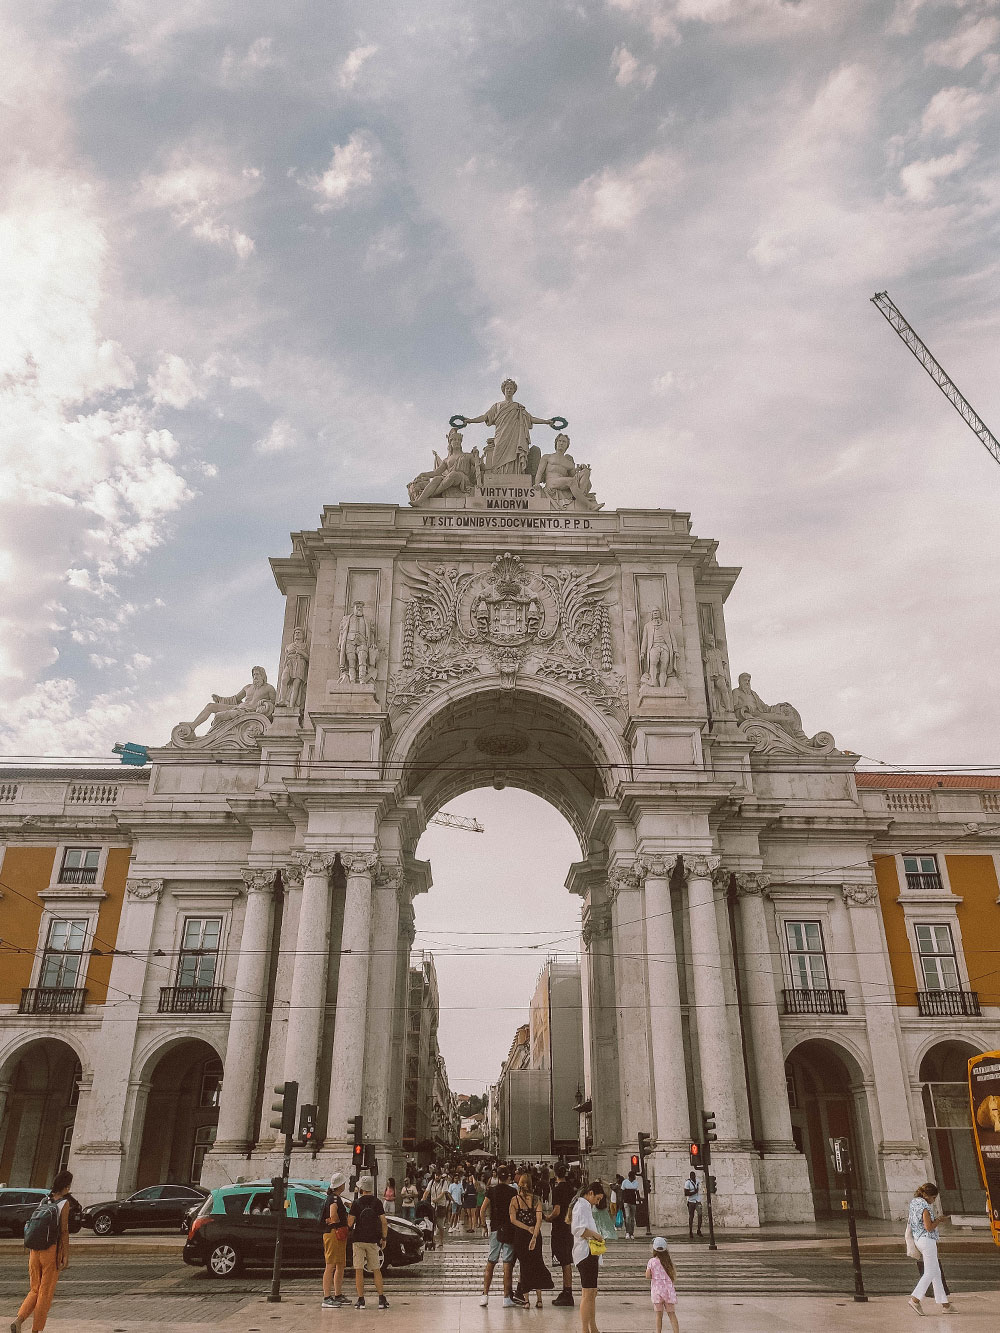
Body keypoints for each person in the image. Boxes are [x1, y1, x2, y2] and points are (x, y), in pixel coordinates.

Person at [13, 1168, 73, 1333]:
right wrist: (65, 1255)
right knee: (45, 1293)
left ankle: (19, 1320)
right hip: (50, 1251)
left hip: (34, 1250)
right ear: (66, 1187)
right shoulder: (64, 1203)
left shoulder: (44, 1200)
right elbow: (64, 1231)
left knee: (34, 1289)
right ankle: (36, 1330)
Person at [509, 1173, 553, 1309]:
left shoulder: (514, 1200)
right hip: (535, 1236)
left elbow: (513, 1220)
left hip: (521, 1236)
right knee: (537, 1264)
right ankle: (539, 1300)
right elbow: (539, 1220)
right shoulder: (536, 1200)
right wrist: (534, 1236)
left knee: (525, 1267)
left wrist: (527, 1228)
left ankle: (526, 1301)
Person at [907, 1183, 952, 1316]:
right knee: (931, 1272)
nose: (934, 1200)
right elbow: (929, 1227)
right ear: (927, 1196)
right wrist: (939, 1220)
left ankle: (946, 1305)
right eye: (933, 1197)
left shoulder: (914, 1203)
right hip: (927, 1241)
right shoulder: (925, 1207)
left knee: (936, 1272)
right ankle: (915, 1299)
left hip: (918, 1239)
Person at [348, 1174, 389, 1311]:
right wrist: (384, 1238)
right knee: (376, 1269)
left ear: (361, 1188)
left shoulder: (357, 1203)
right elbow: (384, 1222)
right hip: (373, 1240)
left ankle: (361, 1300)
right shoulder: (377, 1202)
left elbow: (350, 1223)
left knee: (359, 1269)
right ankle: (381, 1299)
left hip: (358, 1240)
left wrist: (351, 1207)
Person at [479, 1164, 517, 1308]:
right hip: (509, 1229)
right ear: (508, 1177)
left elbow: (482, 1210)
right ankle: (506, 1298)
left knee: (491, 1262)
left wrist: (484, 1226)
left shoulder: (491, 1191)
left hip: (495, 1229)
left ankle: (485, 1295)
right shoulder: (513, 1192)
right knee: (507, 1264)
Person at [571, 1181, 607, 1333]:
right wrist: (596, 1235)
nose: (597, 1202)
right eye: (597, 1198)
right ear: (590, 1193)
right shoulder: (582, 1206)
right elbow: (578, 1229)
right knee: (587, 1293)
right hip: (585, 1253)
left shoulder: (586, 1206)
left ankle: (593, 1327)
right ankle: (585, 1328)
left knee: (592, 1292)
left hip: (590, 1253)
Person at [546, 1160, 576, 1307]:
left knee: (564, 1260)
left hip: (559, 1228)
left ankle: (567, 1292)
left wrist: (547, 1218)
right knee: (567, 1260)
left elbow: (557, 1211)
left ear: (556, 1173)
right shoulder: (571, 1188)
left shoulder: (558, 1190)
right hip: (569, 1227)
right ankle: (567, 1290)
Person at [321, 1171, 349, 1309]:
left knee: (339, 1264)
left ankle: (337, 1294)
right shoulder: (334, 1199)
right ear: (340, 1185)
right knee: (331, 1265)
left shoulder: (332, 1197)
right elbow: (333, 1215)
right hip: (334, 1233)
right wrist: (338, 1221)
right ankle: (327, 1297)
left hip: (336, 1233)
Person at [646, 1237, 679, 1333]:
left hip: (657, 1291)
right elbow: (672, 1275)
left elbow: (647, 1275)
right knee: (672, 1314)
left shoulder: (652, 1261)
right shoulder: (668, 1261)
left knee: (658, 1315)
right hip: (668, 1291)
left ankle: (658, 1332)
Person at [422, 1169, 449, 1246]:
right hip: (432, 1206)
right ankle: (432, 1240)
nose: (437, 1176)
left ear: (440, 1176)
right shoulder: (431, 1182)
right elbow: (426, 1192)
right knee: (431, 1224)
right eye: (436, 1175)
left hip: (441, 1206)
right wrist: (423, 1199)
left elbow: (443, 1193)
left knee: (440, 1225)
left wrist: (437, 1199)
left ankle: (441, 1241)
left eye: (438, 1175)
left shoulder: (444, 1182)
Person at [621, 1169, 641, 1239]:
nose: (635, 1177)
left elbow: (637, 1192)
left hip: (633, 1202)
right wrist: (622, 1201)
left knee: (632, 1218)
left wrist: (639, 1199)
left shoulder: (636, 1183)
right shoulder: (625, 1182)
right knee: (628, 1217)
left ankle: (631, 1233)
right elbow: (622, 1192)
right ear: (631, 1177)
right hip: (626, 1202)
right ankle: (627, 1232)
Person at [683, 1171, 703, 1239]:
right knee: (691, 1216)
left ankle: (699, 1230)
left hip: (698, 1200)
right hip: (691, 1201)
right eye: (692, 1176)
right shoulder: (687, 1183)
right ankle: (690, 1231)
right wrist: (694, 1192)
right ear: (690, 1177)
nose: (693, 1177)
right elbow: (686, 1193)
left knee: (700, 1214)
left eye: (694, 1176)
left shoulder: (697, 1181)